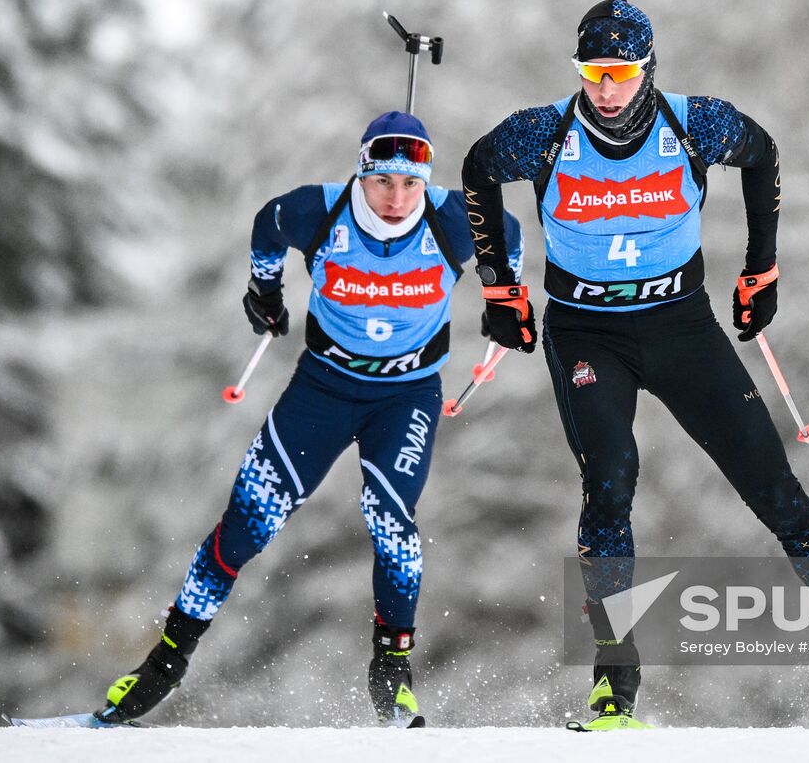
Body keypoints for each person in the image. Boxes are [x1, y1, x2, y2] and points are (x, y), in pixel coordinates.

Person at [461, 0, 809, 729]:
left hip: (681, 326)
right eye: (592, 73)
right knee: (611, 483)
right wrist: (500, 287)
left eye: (620, 73)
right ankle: (613, 687)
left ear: (649, 69)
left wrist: (762, 272)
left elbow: (764, 154)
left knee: (777, 491)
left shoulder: (694, 123)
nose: (605, 89)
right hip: (588, 333)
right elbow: (477, 168)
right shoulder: (546, 134)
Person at [100, 111, 522, 728]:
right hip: (323, 388)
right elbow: (266, 226)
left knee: (390, 519)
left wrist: (502, 297)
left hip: (406, 397)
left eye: (411, 184)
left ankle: (392, 670)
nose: (398, 199)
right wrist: (264, 290)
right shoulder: (314, 210)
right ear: (361, 172)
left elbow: (508, 238)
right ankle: (166, 659)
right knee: (247, 524)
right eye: (383, 182)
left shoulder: (453, 218)